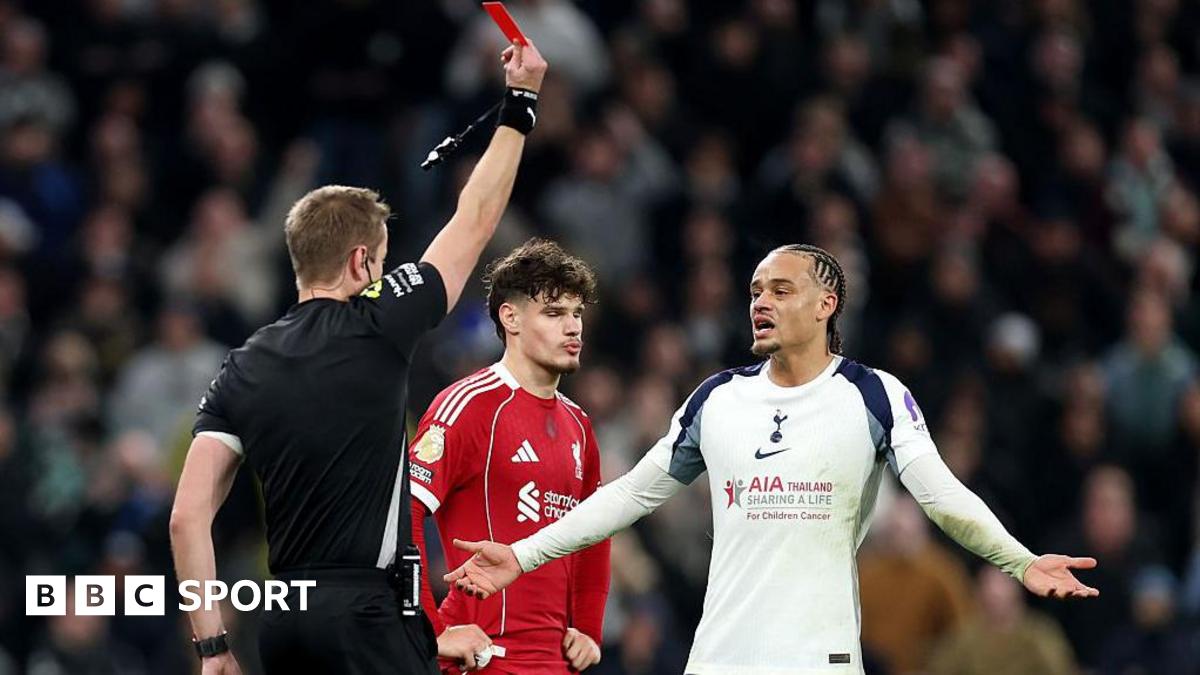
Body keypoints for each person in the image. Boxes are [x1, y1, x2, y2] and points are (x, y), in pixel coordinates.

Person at [443, 244, 1100, 674]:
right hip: (719, 658)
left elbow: (941, 496)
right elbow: (630, 493)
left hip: (819, 657)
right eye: (756, 290)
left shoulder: (873, 395)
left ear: (826, 305)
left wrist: (1018, 559)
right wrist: (522, 554)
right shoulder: (717, 398)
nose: (760, 302)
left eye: (781, 290)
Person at [168, 41, 548, 675]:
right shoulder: (378, 321)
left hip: (285, 619)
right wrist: (521, 103)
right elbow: (476, 217)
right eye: (382, 259)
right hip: (369, 616)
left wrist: (212, 648)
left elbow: (187, 517)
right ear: (360, 262)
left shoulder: (241, 365)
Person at [408, 238, 610, 673]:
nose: (573, 328)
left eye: (576, 313)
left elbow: (596, 530)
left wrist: (588, 627)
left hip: (557, 664)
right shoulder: (468, 406)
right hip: (486, 660)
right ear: (510, 317)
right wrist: (428, 630)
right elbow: (403, 514)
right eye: (554, 313)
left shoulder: (579, 424)